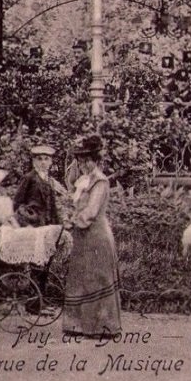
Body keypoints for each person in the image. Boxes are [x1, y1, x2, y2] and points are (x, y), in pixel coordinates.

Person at [62, 135, 122, 338]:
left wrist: (73, 221)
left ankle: (102, 327)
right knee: (80, 277)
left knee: (97, 278)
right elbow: (77, 202)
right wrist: (71, 215)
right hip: (82, 237)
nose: (83, 164)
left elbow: (91, 211)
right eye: (80, 160)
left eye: (87, 160)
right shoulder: (84, 181)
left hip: (96, 235)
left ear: (96, 161)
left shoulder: (101, 182)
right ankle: (78, 325)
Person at [15, 144, 66, 307]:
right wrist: (26, 221)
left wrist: (59, 227)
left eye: (46, 159)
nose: (43, 162)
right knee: (36, 264)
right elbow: (17, 203)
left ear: (51, 162)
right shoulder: (29, 178)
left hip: (49, 227)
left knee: (46, 264)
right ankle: (33, 305)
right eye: (39, 159)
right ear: (34, 161)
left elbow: (53, 206)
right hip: (34, 227)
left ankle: (40, 301)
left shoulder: (49, 181)